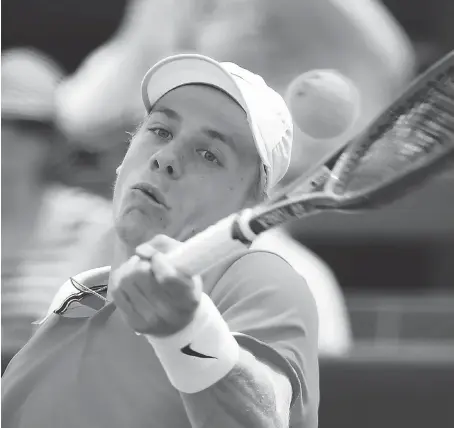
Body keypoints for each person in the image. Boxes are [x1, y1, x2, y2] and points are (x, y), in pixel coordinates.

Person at [2, 54, 320, 428]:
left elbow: (265, 419)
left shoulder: (259, 277)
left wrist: (187, 332)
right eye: (161, 131)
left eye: (209, 154)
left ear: (248, 206)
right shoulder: (79, 299)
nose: (166, 157)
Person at [1, 48, 113, 371]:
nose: (7, 137)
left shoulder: (93, 225)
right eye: (0, 122)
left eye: (27, 126)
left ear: (53, 138)